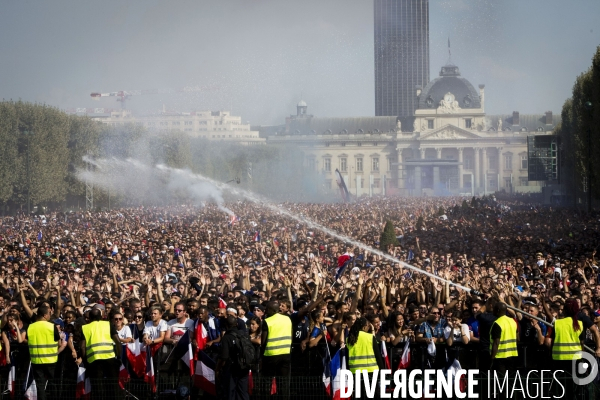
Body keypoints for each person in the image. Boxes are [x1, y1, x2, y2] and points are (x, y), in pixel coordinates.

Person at [80, 308, 121, 400]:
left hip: (94, 360)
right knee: (113, 384)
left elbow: (82, 347)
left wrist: (85, 360)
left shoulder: (85, 328)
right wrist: (118, 356)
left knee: (98, 386)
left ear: (89, 318)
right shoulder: (108, 324)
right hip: (110, 358)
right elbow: (118, 342)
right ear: (101, 316)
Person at [27, 305, 60, 400]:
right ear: (45, 315)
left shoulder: (31, 326)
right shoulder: (51, 326)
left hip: (36, 360)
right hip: (51, 360)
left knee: (40, 386)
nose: (50, 315)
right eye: (49, 313)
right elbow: (58, 342)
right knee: (53, 383)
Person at [261, 301, 292, 398]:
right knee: (283, 383)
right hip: (286, 354)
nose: (265, 311)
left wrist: (261, 355)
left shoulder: (267, 321)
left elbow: (263, 341)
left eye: (267, 309)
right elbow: (290, 335)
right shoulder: (287, 319)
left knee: (267, 382)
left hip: (270, 355)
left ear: (273, 310)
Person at [346, 317, 382, 400]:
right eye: (368, 326)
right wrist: (382, 370)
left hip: (355, 371)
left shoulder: (349, 338)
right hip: (371, 371)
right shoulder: (370, 337)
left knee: (359, 396)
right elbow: (378, 355)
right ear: (364, 326)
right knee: (372, 395)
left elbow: (347, 357)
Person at [216, 315, 249, 400]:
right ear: (237, 324)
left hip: (232, 369)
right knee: (243, 392)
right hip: (245, 367)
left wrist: (218, 369)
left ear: (226, 325)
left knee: (230, 392)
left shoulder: (227, 338)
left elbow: (224, 357)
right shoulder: (244, 335)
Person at [490, 302, 518, 376]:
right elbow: (518, 338)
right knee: (511, 379)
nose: (493, 310)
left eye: (494, 309)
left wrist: (492, 358)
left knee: (501, 380)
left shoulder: (497, 323)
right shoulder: (513, 321)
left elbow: (496, 342)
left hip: (500, 357)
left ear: (498, 310)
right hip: (512, 355)